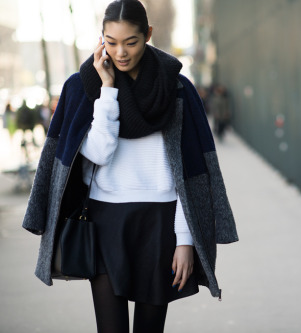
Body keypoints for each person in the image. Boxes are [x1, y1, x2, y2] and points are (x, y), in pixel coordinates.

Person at [22, 1, 238, 332]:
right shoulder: (83, 87)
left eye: (131, 42)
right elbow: (98, 153)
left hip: (161, 224)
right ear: (102, 39)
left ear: (148, 34)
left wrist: (184, 240)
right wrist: (107, 90)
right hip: (104, 222)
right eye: (111, 41)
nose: (120, 52)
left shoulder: (177, 90)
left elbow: (189, 177)